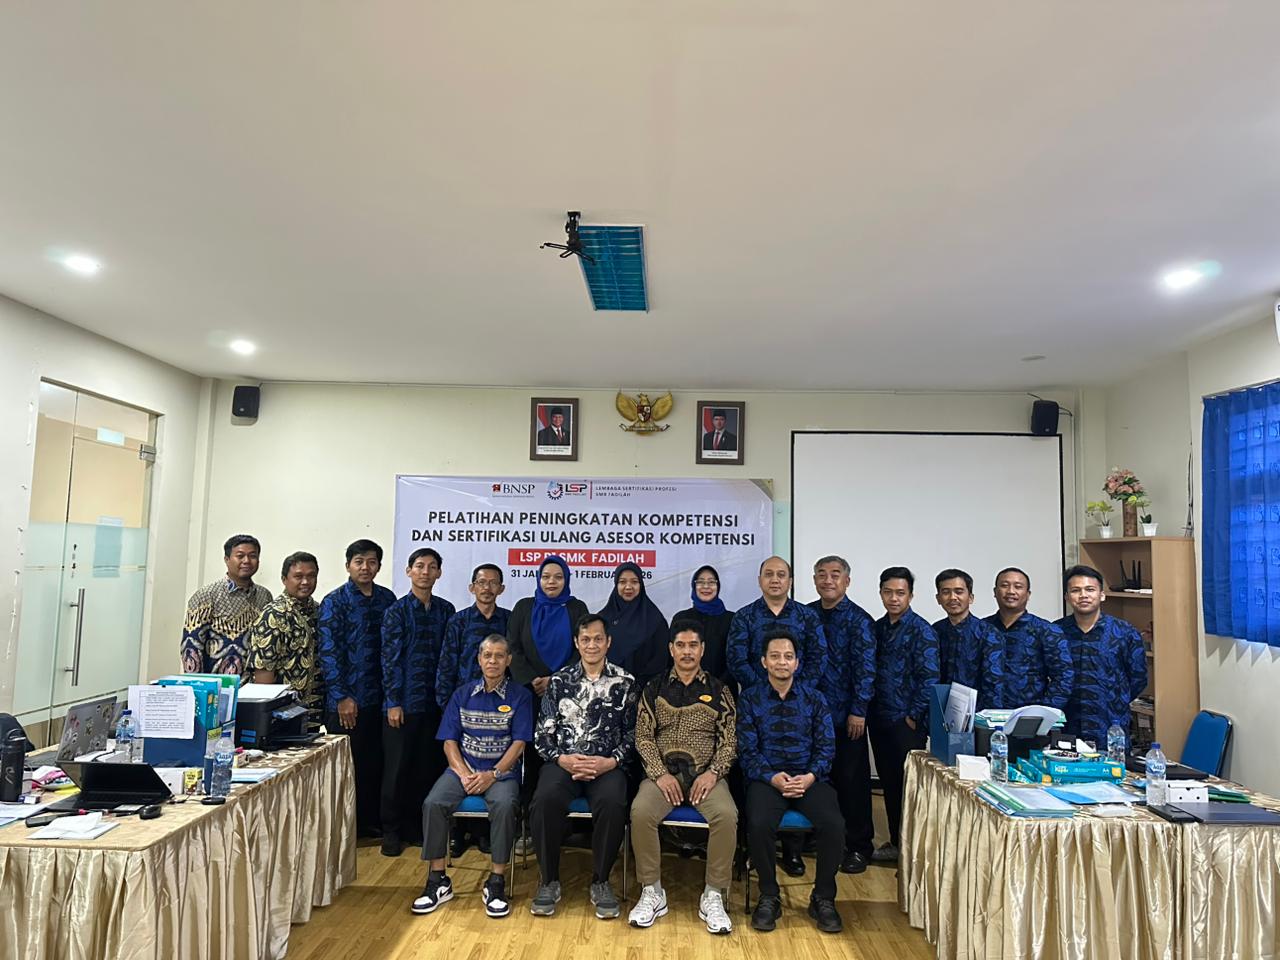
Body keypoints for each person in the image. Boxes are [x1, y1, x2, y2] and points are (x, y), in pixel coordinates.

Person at [412, 635, 533, 920]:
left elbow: (519, 744)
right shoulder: (462, 694)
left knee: (505, 806)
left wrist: (493, 774)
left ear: (508, 660)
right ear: (479, 660)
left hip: (501, 774)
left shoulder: (520, 696)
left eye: (499, 656)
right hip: (462, 771)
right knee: (433, 803)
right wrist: (465, 774)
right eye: (487, 655)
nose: (493, 661)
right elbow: (449, 742)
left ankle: (496, 881)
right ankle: (438, 880)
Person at [627, 620, 737, 935]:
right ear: (671, 649)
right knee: (640, 812)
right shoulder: (654, 687)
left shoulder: (719, 690)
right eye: (680, 645)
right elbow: (643, 737)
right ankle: (652, 891)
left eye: (693, 646)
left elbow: (730, 741)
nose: (687, 652)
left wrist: (714, 773)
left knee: (727, 815)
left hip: (706, 777)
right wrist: (660, 774)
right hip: (663, 778)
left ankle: (713, 894)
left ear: (702, 650)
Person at [529, 615, 637, 921]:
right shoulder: (559, 681)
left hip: (607, 765)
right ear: (576, 643)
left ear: (608, 642)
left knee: (613, 802)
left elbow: (633, 734)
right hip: (564, 763)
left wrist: (611, 761)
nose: (592, 645)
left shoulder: (625, 682)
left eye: (598, 639)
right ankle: (549, 880)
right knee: (544, 800)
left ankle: (601, 881)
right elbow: (542, 735)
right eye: (586, 639)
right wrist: (562, 759)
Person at [738, 629, 845, 934]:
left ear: (797, 662)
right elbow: (747, 750)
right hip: (767, 779)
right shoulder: (749, 699)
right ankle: (769, 895)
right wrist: (773, 778)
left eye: (788, 656)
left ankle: (823, 897)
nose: (781, 662)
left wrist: (809, 777)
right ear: (763, 661)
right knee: (758, 822)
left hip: (809, 778)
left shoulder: (815, 699)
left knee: (834, 824)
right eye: (775, 656)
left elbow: (826, 748)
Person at [726, 555, 826, 878]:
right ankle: (750, 850)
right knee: (754, 778)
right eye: (768, 574)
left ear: (790, 581)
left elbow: (817, 658)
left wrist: (793, 689)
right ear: (760, 580)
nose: (775, 580)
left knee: (796, 773)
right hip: (757, 708)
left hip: (800, 707)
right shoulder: (744, 616)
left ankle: (793, 852)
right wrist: (765, 690)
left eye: (781, 574)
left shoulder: (807, 616)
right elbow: (736, 659)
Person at [380, 548, 457, 856]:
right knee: (397, 770)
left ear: (439, 573)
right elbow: (390, 660)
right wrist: (393, 701)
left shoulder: (445, 610)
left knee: (427, 769)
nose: (425, 572)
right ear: (409, 571)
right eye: (420, 566)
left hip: (435, 705)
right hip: (403, 704)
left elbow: (449, 658)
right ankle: (391, 831)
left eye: (431, 567)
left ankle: (418, 828)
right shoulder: (396, 612)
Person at [317, 539, 397, 838]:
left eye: (371, 562)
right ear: (348, 565)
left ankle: (368, 823)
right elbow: (328, 653)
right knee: (346, 767)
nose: (365, 567)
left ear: (379, 566)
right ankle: (343, 829)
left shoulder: (387, 599)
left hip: (379, 700)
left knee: (374, 764)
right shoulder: (334, 601)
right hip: (347, 702)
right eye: (359, 561)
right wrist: (341, 697)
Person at [807, 555, 877, 875]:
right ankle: (822, 838)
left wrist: (858, 711)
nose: (828, 580)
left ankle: (859, 846)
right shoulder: (806, 614)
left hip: (847, 717)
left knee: (852, 783)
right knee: (818, 780)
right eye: (822, 574)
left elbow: (866, 670)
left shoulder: (860, 620)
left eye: (835, 574)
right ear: (814, 580)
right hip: (811, 716)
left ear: (847, 581)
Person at [867, 567, 939, 864]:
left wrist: (912, 715)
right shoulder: (878, 628)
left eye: (900, 593)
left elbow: (929, 678)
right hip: (879, 718)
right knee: (889, 783)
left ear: (910, 595)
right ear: (881, 593)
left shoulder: (922, 630)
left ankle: (913, 850)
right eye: (888, 592)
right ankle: (897, 844)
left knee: (910, 787)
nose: (894, 598)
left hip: (905, 723)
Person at [1056, 565, 1147, 747]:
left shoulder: (1125, 632)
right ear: (1067, 597)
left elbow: (1138, 679)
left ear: (1102, 595)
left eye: (1090, 589)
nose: (1083, 595)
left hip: (1111, 727)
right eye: (1076, 590)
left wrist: (1115, 699)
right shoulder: (1055, 632)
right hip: (1067, 726)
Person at [181, 534, 272, 676]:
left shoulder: (264, 596)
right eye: (240, 556)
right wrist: (197, 685)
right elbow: (191, 647)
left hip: (254, 684)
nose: (246, 561)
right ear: (227, 559)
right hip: (217, 685)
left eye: (252, 556)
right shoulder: (206, 596)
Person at [985, 568, 1074, 711]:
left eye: (1018, 587)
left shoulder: (1046, 630)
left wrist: (1043, 712)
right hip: (985, 716)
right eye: (1005, 585)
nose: (1011, 591)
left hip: (1030, 717)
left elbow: (1064, 677)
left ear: (1028, 594)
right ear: (995, 592)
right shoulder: (983, 628)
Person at [246, 551, 323, 717]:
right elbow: (263, 670)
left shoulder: (319, 610)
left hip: (314, 711)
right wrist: (268, 715)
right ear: (284, 579)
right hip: (283, 713)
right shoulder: (274, 614)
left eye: (311, 576)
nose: (305, 582)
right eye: (298, 576)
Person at [435, 564, 511, 709]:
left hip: (502, 700)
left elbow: (514, 662)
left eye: (493, 583)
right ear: (472, 588)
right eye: (481, 582)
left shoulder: (510, 620)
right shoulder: (458, 621)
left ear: (501, 589)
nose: (487, 588)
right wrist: (447, 705)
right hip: (465, 699)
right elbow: (447, 665)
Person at [932, 569, 1004, 710]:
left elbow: (994, 684)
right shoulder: (934, 631)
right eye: (946, 592)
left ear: (970, 597)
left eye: (959, 592)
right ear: (938, 598)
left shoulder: (988, 633)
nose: (953, 597)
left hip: (978, 713)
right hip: (939, 710)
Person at [598, 562, 669, 686]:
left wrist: (639, 686)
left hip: (645, 688)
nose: (628, 587)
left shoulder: (655, 619)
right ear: (616, 585)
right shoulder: (602, 620)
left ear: (641, 585)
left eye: (634, 582)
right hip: (605, 686)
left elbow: (661, 659)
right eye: (622, 582)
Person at [669, 565, 734, 686]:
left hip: (723, 688)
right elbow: (671, 657)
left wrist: (716, 685)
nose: (706, 586)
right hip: (684, 688)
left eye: (711, 582)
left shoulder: (732, 619)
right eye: (700, 582)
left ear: (718, 586)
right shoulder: (681, 618)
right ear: (694, 586)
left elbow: (735, 658)